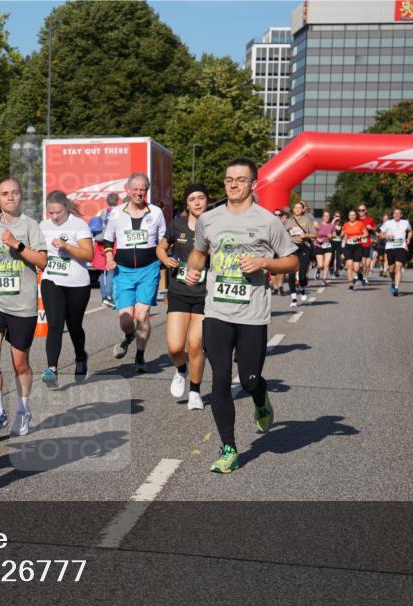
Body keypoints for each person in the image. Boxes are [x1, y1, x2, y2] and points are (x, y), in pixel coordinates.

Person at [184, 157, 298, 474]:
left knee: (247, 380)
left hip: (253, 313)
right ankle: (229, 448)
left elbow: (291, 262)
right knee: (219, 378)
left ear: (253, 184)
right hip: (217, 310)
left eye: (240, 179)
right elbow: (200, 251)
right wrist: (194, 269)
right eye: (228, 179)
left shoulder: (268, 222)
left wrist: (264, 264)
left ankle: (260, 396)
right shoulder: (210, 219)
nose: (233, 184)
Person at [0, 177, 47, 437]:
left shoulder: (31, 226)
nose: (10, 197)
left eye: (15, 193)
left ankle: (23, 410)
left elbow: (43, 261)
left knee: (20, 364)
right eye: (4, 193)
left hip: (22, 303)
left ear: (20, 197)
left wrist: (17, 245)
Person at [103, 172, 167, 373]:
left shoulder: (156, 212)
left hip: (149, 269)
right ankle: (129, 335)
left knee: (142, 315)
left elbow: (164, 240)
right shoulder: (115, 213)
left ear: (146, 191)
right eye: (136, 189)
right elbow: (108, 239)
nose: (139, 193)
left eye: (143, 189)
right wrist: (109, 258)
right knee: (125, 320)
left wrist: (165, 257)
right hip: (124, 271)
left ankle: (140, 356)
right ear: (128, 191)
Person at [156, 183, 208, 410]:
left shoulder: (217, 225)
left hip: (205, 294)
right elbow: (161, 247)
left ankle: (195, 391)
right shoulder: (176, 224)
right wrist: (165, 259)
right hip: (178, 292)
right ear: (186, 203)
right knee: (175, 347)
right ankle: (181, 369)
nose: (197, 202)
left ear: (207, 200)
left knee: (196, 345)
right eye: (192, 199)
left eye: (201, 198)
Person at [39, 190, 94, 388]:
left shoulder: (78, 225)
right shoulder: (43, 226)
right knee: (54, 324)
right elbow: (39, 251)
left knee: (74, 326)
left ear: (66, 208)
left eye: (58, 213)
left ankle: (80, 356)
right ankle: (51, 369)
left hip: (77, 283)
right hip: (52, 280)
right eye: (50, 213)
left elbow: (88, 255)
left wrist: (66, 246)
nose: (54, 217)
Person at [89, 192, 120, 308]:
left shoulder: (101, 212)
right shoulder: (118, 212)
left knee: (103, 271)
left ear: (107, 201)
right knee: (111, 269)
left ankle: (104, 297)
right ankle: (109, 296)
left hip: (99, 243)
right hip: (112, 243)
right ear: (117, 201)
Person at [283, 200, 316, 308]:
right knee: (291, 275)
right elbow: (282, 234)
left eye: (299, 208)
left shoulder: (306, 220)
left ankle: (302, 288)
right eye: (295, 208)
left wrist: (305, 235)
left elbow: (314, 235)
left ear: (302, 210)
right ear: (293, 210)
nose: (297, 209)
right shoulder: (289, 221)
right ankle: (293, 299)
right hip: (292, 248)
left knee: (302, 275)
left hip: (303, 248)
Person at [380, 207, 412, 296]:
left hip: (401, 247)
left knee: (399, 266)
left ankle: (396, 288)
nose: (397, 215)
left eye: (399, 213)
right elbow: (381, 234)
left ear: (401, 215)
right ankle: (393, 282)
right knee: (391, 270)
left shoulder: (405, 222)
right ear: (393, 215)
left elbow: (410, 231)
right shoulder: (388, 223)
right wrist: (387, 236)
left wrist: (408, 239)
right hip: (390, 247)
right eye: (395, 213)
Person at [341, 210, 368, 291]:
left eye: (353, 215)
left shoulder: (360, 224)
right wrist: (341, 234)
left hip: (358, 246)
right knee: (349, 265)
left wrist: (359, 237)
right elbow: (341, 234)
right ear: (348, 216)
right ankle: (351, 284)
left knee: (356, 268)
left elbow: (366, 234)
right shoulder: (345, 225)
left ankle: (360, 275)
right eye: (350, 215)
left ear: (356, 216)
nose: (352, 216)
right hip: (348, 246)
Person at [269, 209, 288, 295]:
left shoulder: (284, 225)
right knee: (273, 270)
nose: (276, 216)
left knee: (281, 269)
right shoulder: (269, 224)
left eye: (278, 215)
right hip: (272, 249)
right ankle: (275, 287)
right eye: (275, 214)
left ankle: (280, 286)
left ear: (280, 217)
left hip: (281, 249)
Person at [356, 204, 376, 286]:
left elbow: (375, 229)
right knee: (361, 263)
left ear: (366, 211)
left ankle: (365, 277)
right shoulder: (356, 220)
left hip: (368, 242)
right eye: (359, 210)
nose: (361, 212)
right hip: (359, 243)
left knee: (367, 264)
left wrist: (371, 228)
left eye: (363, 210)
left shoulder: (370, 219)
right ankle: (360, 276)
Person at [314, 211, 335, 286]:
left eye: (328, 216)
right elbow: (313, 234)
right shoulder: (318, 225)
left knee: (327, 264)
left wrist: (331, 236)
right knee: (321, 265)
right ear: (323, 217)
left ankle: (324, 279)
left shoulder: (332, 225)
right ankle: (318, 270)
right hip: (319, 245)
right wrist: (317, 239)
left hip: (328, 245)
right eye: (325, 216)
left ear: (329, 217)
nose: (327, 217)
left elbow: (334, 235)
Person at [330, 211, 344, 277]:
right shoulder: (332, 224)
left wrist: (341, 235)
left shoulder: (341, 226)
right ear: (334, 216)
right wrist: (334, 220)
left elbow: (343, 234)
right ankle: (331, 266)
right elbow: (330, 227)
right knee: (332, 256)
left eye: (338, 216)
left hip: (338, 242)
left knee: (337, 256)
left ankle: (337, 270)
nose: (337, 218)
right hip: (332, 242)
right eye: (336, 216)